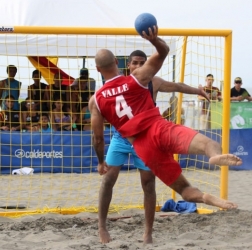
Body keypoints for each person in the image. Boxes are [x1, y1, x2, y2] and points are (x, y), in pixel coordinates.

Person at [90, 26, 242, 244]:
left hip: (143, 146)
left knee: (171, 188)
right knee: (208, 143)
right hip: (157, 130)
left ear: (96, 69)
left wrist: (99, 160)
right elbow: (163, 51)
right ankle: (213, 156)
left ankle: (197, 200)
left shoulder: (96, 99)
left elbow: (96, 138)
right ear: (118, 63)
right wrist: (154, 40)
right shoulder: (137, 79)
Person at [99, 49, 210, 244]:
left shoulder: (153, 82)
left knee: (148, 184)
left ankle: (147, 233)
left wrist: (197, 91)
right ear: (128, 65)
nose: (139, 66)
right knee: (108, 180)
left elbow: (177, 86)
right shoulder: (123, 85)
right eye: (135, 62)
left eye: (142, 62)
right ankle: (102, 227)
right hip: (121, 138)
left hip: (146, 139)